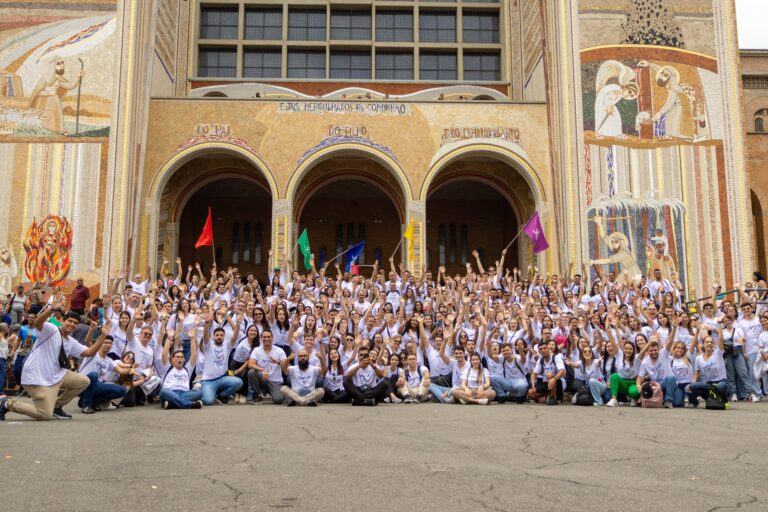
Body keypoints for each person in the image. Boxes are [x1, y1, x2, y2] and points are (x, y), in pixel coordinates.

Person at [0, 293, 105, 421]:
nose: (72, 324)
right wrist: (52, 309)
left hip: (57, 375)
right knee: (44, 414)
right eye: (70, 321)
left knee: (84, 381)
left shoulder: (71, 341)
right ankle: (7, 403)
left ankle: (57, 406)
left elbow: (89, 352)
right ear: (63, 321)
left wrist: (102, 337)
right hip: (37, 377)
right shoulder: (51, 330)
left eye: (75, 323)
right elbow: (38, 322)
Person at [77, 323, 132, 414]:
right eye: (105, 342)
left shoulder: (109, 360)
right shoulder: (93, 353)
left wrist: (131, 369)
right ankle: (86, 406)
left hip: (97, 386)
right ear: (100, 343)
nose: (108, 345)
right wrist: (91, 330)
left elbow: (120, 370)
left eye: (110, 343)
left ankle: (92, 401)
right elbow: (87, 341)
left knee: (122, 390)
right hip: (83, 384)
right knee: (94, 375)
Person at [199, 310, 242, 405]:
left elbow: (235, 336)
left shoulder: (227, 346)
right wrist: (206, 323)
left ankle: (222, 395)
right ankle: (204, 389)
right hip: (208, 380)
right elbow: (205, 335)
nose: (219, 337)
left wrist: (238, 323)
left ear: (224, 337)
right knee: (207, 401)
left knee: (238, 382)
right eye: (217, 335)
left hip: (222, 379)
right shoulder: (208, 345)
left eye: (221, 335)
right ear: (213, 337)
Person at [159, 326, 203, 410]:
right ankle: (189, 405)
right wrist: (169, 338)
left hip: (185, 393)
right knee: (163, 391)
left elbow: (194, 354)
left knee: (199, 393)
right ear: (172, 359)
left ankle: (172, 404)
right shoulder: (168, 367)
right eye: (177, 357)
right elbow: (164, 354)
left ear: (184, 359)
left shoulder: (187, 369)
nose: (179, 359)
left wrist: (193, 338)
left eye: (181, 357)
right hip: (169, 393)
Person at [247, 330, 287, 404]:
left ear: (272, 338)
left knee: (278, 400)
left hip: (275, 381)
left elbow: (285, 366)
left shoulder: (279, 350)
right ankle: (258, 395)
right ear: (261, 338)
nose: (266, 339)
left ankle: (278, 393)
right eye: (264, 337)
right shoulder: (257, 350)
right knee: (251, 372)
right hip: (263, 378)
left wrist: (278, 362)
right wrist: (262, 370)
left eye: (268, 337)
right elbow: (250, 364)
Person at [528, 341, 566, 405]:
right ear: (539, 352)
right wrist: (533, 384)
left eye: (544, 348)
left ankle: (553, 397)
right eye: (540, 349)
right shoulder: (541, 360)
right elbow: (534, 373)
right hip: (546, 383)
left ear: (548, 349)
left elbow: (562, 371)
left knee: (549, 375)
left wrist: (554, 379)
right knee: (530, 392)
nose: (543, 350)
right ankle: (547, 396)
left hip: (558, 383)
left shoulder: (556, 358)